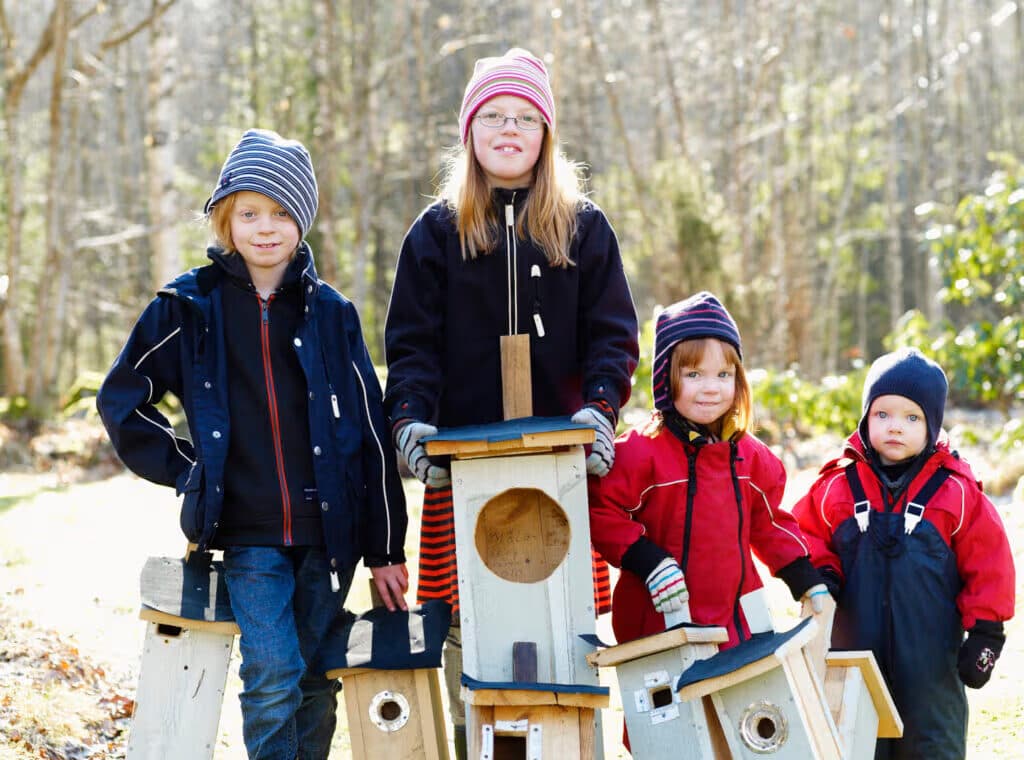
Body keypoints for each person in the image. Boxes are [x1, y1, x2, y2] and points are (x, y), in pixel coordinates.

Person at [97, 128, 409, 759]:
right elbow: (122, 399)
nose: (265, 228)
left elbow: (370, 438)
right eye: (249, 212)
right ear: (225, 218)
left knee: (319, 673)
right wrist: (194, 470)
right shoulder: (188, 305)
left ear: (303, 222)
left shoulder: (333, 314)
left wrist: (383, 548)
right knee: (272, 675)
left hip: (329, 536)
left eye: (282, 212)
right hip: (246, 532)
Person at [383, 48, 639, 758]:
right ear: (469, 131)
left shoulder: (583, 230)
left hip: (560, 468)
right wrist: (411, 422)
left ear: (546, 134)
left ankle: (567, 745)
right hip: (464, 470)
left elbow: (613, 336)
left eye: (526, 117)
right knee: (471, 623)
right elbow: (411, 346)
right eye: (493, 115)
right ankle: (478, 739)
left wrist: (599, 407)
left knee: (559, 623)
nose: (509, 128)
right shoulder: (436, 233)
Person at [793, 347, 1015, 760]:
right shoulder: (837, 487)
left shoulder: (957, 493)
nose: (896, 427)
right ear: (865, 418)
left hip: (931, 668)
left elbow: (991, 563)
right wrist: (821, 575)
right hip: (854, 663)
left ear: (932, 425)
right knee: (852, 746)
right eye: (883, 415)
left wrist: (987, 632)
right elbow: (801, 533)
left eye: (912, 418)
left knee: (933, 746)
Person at [588, 291, 828, 656]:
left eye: (724, 374)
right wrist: (647, 560)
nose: (711, 387)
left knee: (738, 711)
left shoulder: (751, 457)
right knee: (670, 711)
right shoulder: (640, 452)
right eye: (694, 374)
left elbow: (769, 523)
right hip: (659, 627)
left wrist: (804, 578)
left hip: (735, 626)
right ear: (667, 379)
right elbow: (599, 508)